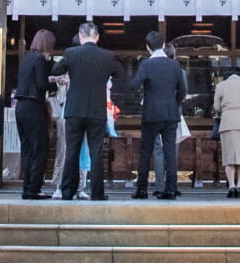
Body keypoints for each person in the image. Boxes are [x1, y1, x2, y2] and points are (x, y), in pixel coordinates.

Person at [51, 21, 120, 201]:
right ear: (97, 37)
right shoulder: (107, 55)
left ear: (81, 36)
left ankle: (68, 191)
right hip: (97, 110)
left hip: (74, 109)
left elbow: (56, 69)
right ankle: (97, 192)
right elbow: (121, 74)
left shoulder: (71, 53)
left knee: (72, 150)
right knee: (96, 151)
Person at [131, 29, 185, 200]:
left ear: (148, 48)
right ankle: (170, 189)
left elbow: (134, 85)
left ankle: (141, 189)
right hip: (170, 113)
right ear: (163, 45)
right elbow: (182, 91)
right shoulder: (174, 65)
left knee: (146, 151)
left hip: (151, 113)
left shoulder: (146, 64)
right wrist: (173, 102)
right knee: (170, 151)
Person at [14, 28, 58, 200]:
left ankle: (27, 188)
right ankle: (34, 189)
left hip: (21, 107)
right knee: (39, 148)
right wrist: (55, 84)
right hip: (33, 106)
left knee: (27, 149)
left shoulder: (26, 59)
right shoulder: (39, 60)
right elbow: (41, 84)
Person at [213, 66, 240, 198]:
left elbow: (216, 107)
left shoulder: (221, 86)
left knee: (229, 156)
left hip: (228, 122)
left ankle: (231, 186)